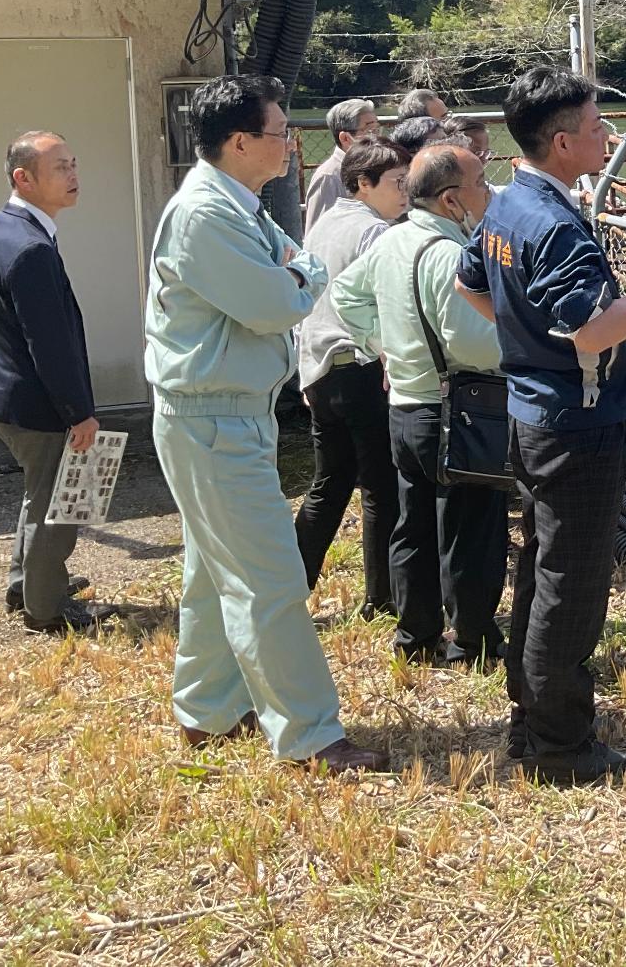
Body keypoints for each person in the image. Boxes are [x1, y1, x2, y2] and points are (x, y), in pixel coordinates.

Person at [144, 73, 386, 772]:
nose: (290, 144)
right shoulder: (206, 214)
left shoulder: (235, 203)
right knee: (270, 577)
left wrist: (295, 273)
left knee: (213, 570)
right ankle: (310, 734)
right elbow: (277, 300)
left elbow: (295, 267)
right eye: (281, 132)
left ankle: (207, 708)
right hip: (213, 414)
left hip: (222, 411)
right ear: (242, 140)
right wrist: (300, 276)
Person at [455, 66, 626, 784]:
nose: (607, 135)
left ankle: (533, 715)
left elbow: (471, 284)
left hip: (533, 412)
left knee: (542, 566)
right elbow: (590, 329)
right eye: (595, 127)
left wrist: (528, 346)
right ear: (561, 143)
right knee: (573, 583)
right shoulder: (553, 224)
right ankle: (560, 742)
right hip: (578, 425)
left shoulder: (508, 205)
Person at [332, 143, 508, 666]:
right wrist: (528, 349)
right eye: (480, 183)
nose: (488, 192)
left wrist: (381, 345)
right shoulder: (449, 255)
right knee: (471, 526)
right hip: (455, 409)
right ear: (452, 200)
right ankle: (473, 636)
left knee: (413, 523)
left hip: (405, 406)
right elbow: (473, 342)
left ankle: (415, 634)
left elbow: (345, 294)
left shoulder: (393, 241)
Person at [0, 132, 110, 633]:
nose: (73, 176)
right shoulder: (29, 248)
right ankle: (45, 608)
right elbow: (50, 345)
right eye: (60, 168)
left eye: (73, 164)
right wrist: (79, 412)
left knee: (40, 493)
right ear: (23, 178)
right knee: (60, 506)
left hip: (2, 395)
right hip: (36, 403)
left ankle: (24, 583)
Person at [293, 139, 408, 616]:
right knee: (381, 487)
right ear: (363, 184)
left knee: (330, 481)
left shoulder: (323, 224)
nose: (405, 191)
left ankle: (291, 585)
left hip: (320, 370)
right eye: (396, 183)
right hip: (362, 369)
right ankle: (379, 600)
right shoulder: (375, 233)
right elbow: (386, 308)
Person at [302, 99, 380, 232]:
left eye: (377, 129)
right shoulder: (329, 177)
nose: (377, 138)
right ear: (345, 138)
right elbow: (318, 235)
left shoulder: (374, 166)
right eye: (369, 131)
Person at [441, 115, 505, 194]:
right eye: (476, 153)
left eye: (486, 152)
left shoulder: (489, 192)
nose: (484, 160)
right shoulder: (439, 191)